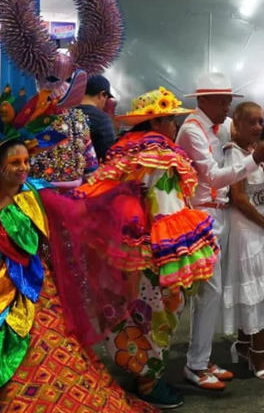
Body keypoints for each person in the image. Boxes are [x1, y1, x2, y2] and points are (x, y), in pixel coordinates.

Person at [0, 90, 154, 412]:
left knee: (51, 350)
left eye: (26, 161)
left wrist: (120, 196)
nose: (24, 168)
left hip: (37, 291)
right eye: (15, 162)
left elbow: (82, 213)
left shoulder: (39, 195)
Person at [76, 87, 220, 407]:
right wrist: (179, 254)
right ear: (156, 123)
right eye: (170, 120)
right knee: (159, 313)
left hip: (122, 246)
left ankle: (135, 367)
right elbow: (167, 209)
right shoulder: (161, 157)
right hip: (155, 249)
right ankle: (148, 380)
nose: (173, 127)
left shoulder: (123, 150)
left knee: (128, 311)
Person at [0, 0, 123, 188]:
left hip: (68, 201)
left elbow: (90, 161)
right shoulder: (28, 118)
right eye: (52, 79)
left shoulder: (75, 119)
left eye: (66, 78)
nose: (58, 88)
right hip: (40, 202)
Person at [176, 73, 264, 390]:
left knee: (210, 293)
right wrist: (255, 158)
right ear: (203, 100)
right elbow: (214, 176)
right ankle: (195, 364)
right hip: (201, 215)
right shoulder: (193, 129)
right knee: (207, 292)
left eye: (228, 101)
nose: (226, 107)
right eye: (222, 101)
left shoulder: (213, 127)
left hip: (216, 215)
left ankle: (200, 359)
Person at [222, 102, 264, 381]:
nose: (259, 127)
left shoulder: (253, 151)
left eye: (261, 121)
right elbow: (238, 198)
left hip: (261, 226)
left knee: (253, 291)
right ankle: (258, 353)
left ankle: (247, 346)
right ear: (236, 124)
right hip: (247, 230)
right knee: (254, 293)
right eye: (252, 122)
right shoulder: (233, 154)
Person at [77, 74, 117, 161]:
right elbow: (108, 154)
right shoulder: (102, 120)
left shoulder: (67, 109)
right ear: (102, 94)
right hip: (79, 171)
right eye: (107, 98)